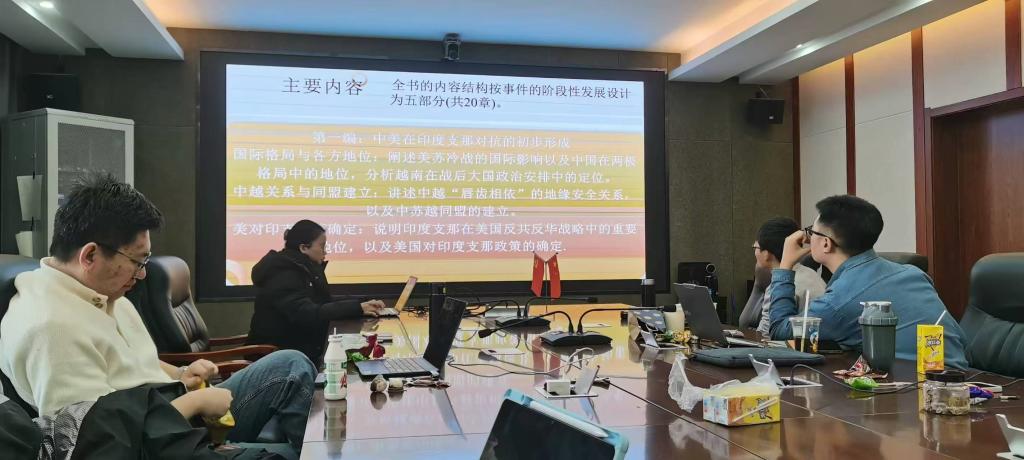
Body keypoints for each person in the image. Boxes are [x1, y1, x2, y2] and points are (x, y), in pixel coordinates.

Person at [0, 176, 315, 454]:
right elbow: (97, 443)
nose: (141, 274)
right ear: (90, 255)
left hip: (171, 411)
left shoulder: (103, 293)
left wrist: (181, 374)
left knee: (291, 365)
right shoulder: (51, 328)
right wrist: (194, 402)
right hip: (154, 444)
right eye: (137, 262)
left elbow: (135, 360)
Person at [767, 195, 968, 368]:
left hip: (914, 387)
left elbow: (779, 330)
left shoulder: (839, 301)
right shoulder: (912, 272)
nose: (808, 238)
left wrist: (785, 266)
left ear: (826, 243)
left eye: (812, 232)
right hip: (962, 377)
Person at [248, 219, 385, 365]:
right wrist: (357, 307)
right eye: (322, 246)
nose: (325, 251)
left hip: (299, 351)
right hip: (279, 359)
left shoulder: (304, 268)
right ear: (304, 248)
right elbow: (307, 313)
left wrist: (361, 304)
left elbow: (323, 302)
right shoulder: (283, 273)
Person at [738, 217, 826, 335]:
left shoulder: (779, 286)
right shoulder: (812, 275)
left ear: (766, 254)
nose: (755, 252)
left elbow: (766, 335)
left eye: (756, 247)